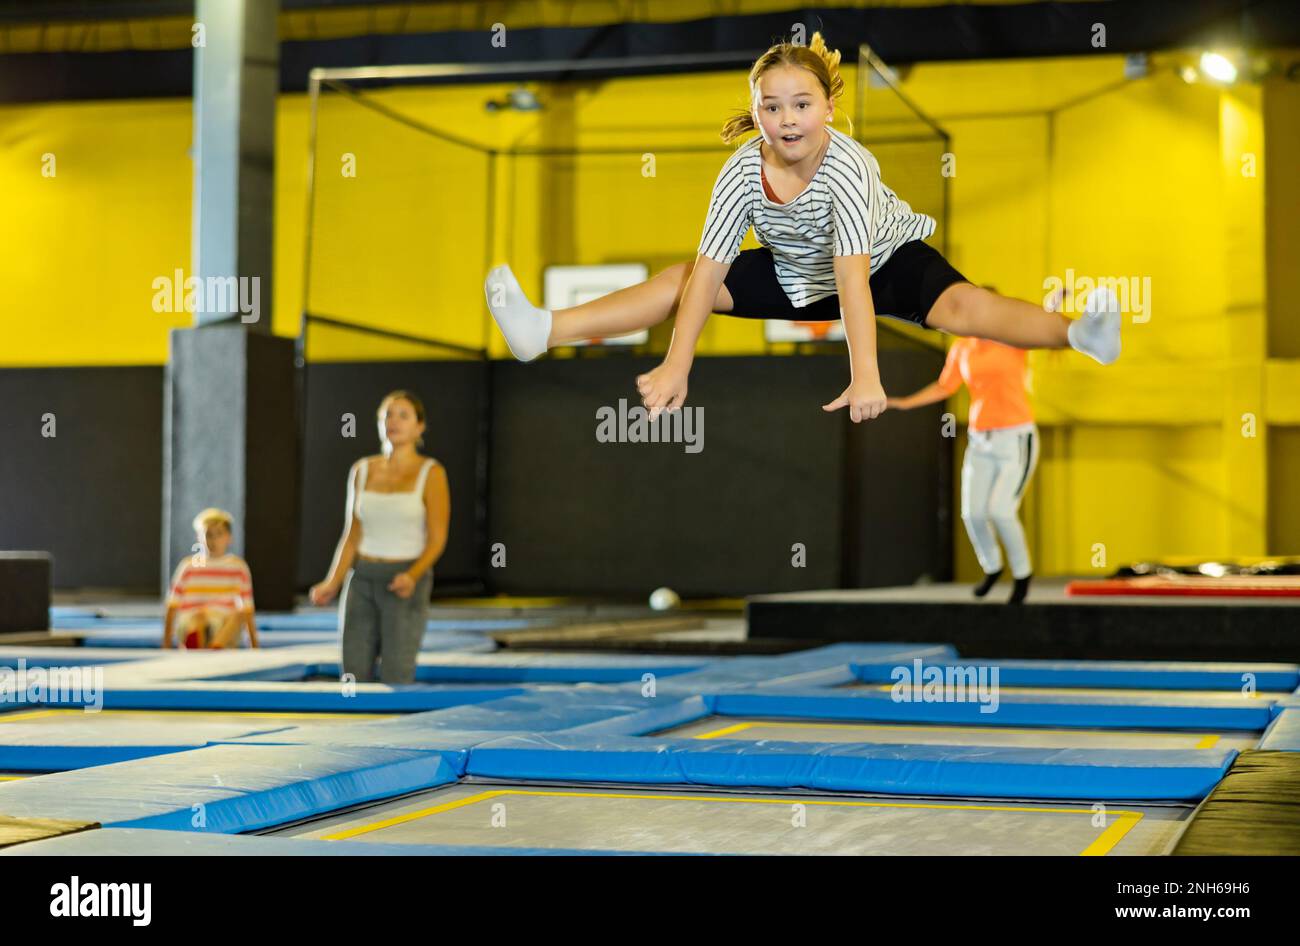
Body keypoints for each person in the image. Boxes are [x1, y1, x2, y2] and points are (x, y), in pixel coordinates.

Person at [483, 32, 1121, 424]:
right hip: (793, 269)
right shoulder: (740, 171)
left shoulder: (848, 166)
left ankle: (1079, 334)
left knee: (965, 306)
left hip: (883, 260)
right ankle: (543, 330)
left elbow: (853, 282)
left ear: (829, 109)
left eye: (802, 104)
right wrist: (678, 364)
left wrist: (865, 373)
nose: (786, 119)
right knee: (678, 279)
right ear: (755, 110)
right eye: (771, 105)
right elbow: (708, 273)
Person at [309, 391, 450, 684]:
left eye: (403, 415)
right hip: (362, 579)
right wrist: (332, 581)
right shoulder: (361, 469)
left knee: (397, 673)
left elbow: (437, 538)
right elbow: (352, 533)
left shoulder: (431, 472)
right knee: (353, 673)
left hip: (404, 580)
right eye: (387, 415)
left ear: (419, 427)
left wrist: (412, 575)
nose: (394, 421)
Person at [889, 336, 1039, 603]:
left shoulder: (1012, 339)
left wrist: (1055, 302)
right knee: (973, 513)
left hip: (1015, 438)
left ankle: (1022, 575)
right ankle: (992, 566)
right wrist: (904, 402)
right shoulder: (962, 346)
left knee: (1001, 511)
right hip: (980, 439)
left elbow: (1041, 327)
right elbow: (945, 386)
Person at [162, 508, 260, 649]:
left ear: (229, 537)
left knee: (239, 614)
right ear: (199, 537)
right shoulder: (189, 566)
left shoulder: (238, 568)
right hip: (193, 623)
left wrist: (254, 645)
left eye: (219, 534)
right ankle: (203, 644)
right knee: (198, 619)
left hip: (224, 625)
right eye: (208, 535)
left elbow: (248, 610)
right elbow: (171, 606)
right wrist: (166, 645)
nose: (213, 540)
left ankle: (214, 645)